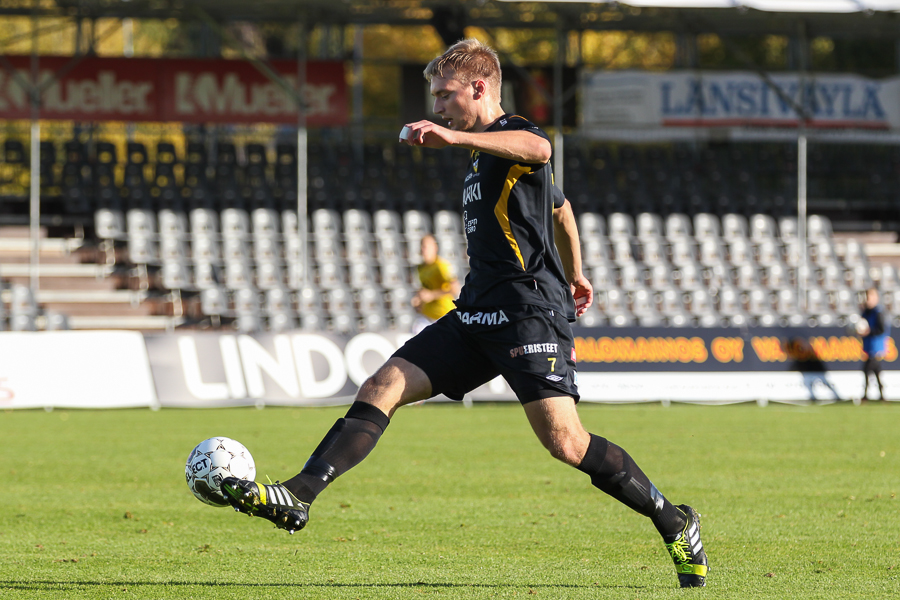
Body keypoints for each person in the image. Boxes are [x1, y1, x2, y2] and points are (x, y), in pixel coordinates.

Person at [221, 38, 708, 588]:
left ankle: (674, 520)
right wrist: (577, 270)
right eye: (434, 98)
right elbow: (562, 208)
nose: (438, 106)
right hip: (477, 311)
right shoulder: (488, 155)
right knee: (382, 384)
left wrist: (454, 137)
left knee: (567, 445)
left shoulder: (514, 134)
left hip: (528, 313)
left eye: (445, 94)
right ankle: (300, 494)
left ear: (480, 87)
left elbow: (542, 151)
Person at [410, 233, 461, 333]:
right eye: (421, 246)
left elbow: (455, 289)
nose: (423, 250)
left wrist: (432, 295)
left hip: (443, 315)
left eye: (426, 247)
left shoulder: (441, 266)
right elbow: (426, 289)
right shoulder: (420, 268)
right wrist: (418, 299)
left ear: (435, 248)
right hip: (427, 316)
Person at [860, 287, 890, 401]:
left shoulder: (878, 313)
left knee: (867, 369)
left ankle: (865, 395)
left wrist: (869, 331)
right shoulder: (865, 312)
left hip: (876, 346)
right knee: (876, 371)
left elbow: (881, 329)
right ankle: (882, 395)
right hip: (868, 346)